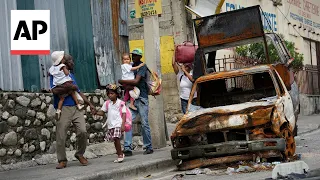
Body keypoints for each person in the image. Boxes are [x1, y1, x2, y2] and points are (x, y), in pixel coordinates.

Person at [50, 54, 96, 169]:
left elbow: (78, 92)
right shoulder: (54, 73)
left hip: (76, 108)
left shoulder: (71, 76)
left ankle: (79, 154)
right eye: (71, 61)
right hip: (63, 108)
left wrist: (89, 104)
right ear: (64, 62)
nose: (73, 63)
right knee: (61, 135)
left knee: (82, 131)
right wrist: (70, 88)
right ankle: (62, 160)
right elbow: (55, 90)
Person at [118, 48, 153, 156]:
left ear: (140, 57)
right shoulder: (131, 65)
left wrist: (121, 81)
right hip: (133, 97)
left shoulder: (142, 66)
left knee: (144, 123)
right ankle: (127, 147)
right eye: (132, 55)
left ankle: (148, 146)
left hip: (142, 98)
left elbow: (136, 81)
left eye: (135, 55)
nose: (133, 57)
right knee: (128, 122)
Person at [95, 84, 126, 163]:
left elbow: (124, 114)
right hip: (111, 125)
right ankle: (120, 152)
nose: (110, 95)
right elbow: (102, 112)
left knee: (116, 138)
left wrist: (123, 125)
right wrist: (95, 112)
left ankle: (120, 154)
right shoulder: (107, 103)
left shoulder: (121, 103)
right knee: (115, 140)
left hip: (118, 124)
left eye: (112, 93)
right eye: (109, 93)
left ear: (117, 94)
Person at [49, 51, 84, 119]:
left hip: (58, 85)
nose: (73, 64)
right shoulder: (63, 66)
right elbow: (67, 74)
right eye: (70, 62)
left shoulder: (52, 69)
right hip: (65, 107)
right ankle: (78, 104)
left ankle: (58, 111)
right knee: (73, 90)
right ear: (63, 60)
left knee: (62, 98)